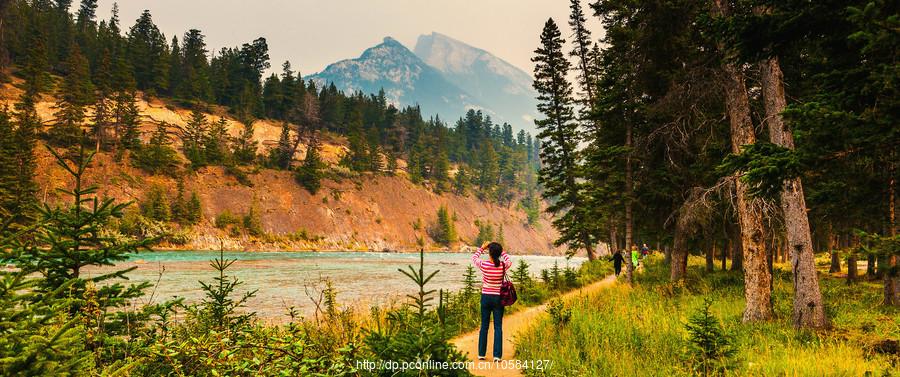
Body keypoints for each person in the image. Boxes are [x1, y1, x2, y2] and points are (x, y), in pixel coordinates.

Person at [472, 241, 510, 362]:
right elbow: (509, 260)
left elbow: (474, 258)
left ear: (489, 252)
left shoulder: (484, 265)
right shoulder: (503, 265)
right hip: (498, 298)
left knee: (484, 326)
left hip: (486, 297)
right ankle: (497, 356)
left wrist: (482, 248)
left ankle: (481, 354)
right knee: (498, 326)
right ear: (499, 254)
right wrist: (501, 250)